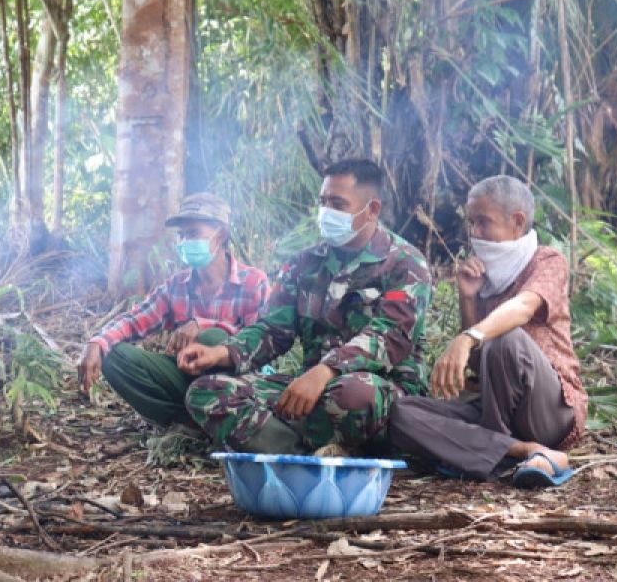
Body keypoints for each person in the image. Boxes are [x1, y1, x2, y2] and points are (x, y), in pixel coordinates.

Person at [178, 159, 431, 455]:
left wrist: (327, 370)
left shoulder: (404, 263)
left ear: (372, 210)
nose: (326, 212)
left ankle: (285, 436)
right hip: (310, 389)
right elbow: (273, 328)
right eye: (323, 202)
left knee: (355, 394)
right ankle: (300, 455)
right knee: (206, 392)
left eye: (338, 203)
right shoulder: (306, 263)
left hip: (380, 390)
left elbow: (390, 336)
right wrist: (221, 352)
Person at [387, 175, 587, 487]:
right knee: (400, 414)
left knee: (504, 336)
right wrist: (468, 297)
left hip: (548, 410)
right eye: (472, 223)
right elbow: (479, 365)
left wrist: (468, 337)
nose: (475, 233)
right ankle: (526, 452)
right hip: (495, 412)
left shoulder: (546, 261)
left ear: (517, 221)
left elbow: (522, 308)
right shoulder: (484, 278)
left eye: (484, 222)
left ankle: (483, 450)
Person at [77, 193, 270, 428]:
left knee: (211, 338)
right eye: (182, 235)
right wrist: (96, 342)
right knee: (114, 355)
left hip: (239, 386)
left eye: (193, 233)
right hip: (187, 379)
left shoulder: (253, 282)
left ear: (221, 235)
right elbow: (134, 321)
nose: (185, 242)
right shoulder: (176, 287)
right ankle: (185, 423)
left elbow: (261, 343)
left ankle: (227, 418)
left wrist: (205, 325)